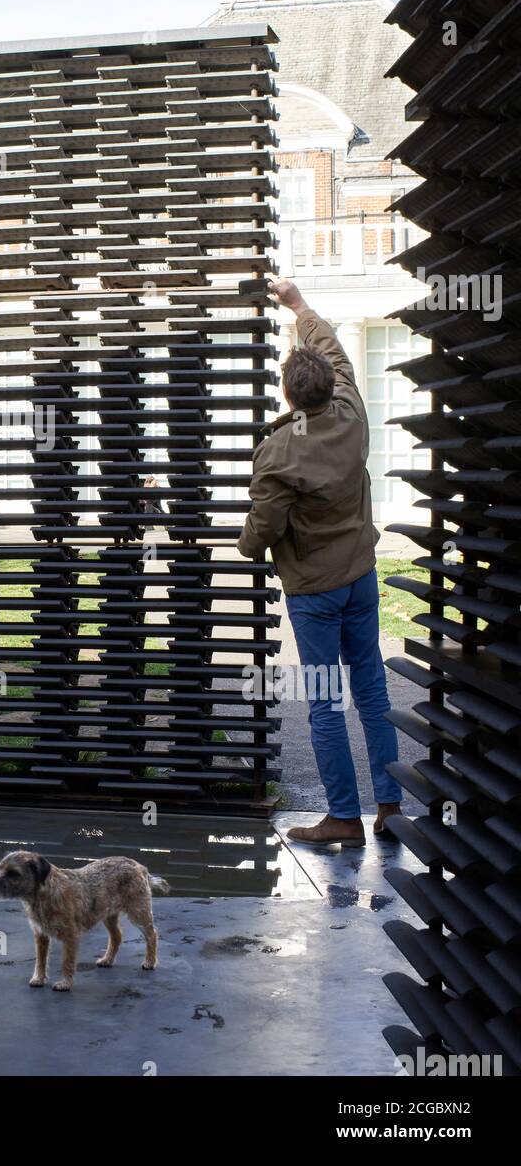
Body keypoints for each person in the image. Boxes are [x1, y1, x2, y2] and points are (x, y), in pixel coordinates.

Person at [237, 278, 403, 847]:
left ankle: (342, 819)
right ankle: (389, 805)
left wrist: (246, 546)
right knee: (373, 689)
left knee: (325, 700)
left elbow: (265, 528)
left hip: (313, 591)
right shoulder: (351, 408)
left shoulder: (280, 449)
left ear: (287, 396)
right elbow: (330, 345)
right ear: (332, 386)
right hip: (360, 576)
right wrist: (298, 304)